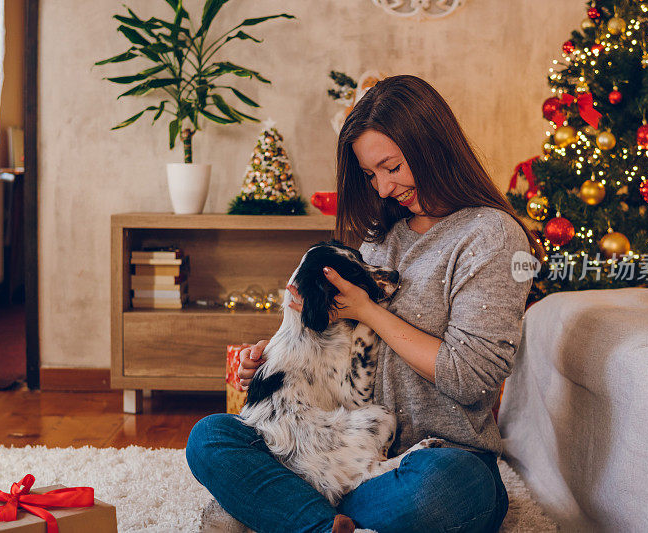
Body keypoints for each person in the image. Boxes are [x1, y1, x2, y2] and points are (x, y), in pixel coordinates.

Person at [186, 74, 546, 533]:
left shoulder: (493, 236)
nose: (381, 188)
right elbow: (338, 353)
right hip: (345, 453)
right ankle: (317, 523)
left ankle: (281, 510)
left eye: (391, 167)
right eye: (371, 174)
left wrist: (367, 308)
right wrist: (279, 362)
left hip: (441, 460)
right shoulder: (382, 240)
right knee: (210, 438)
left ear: (432, 145)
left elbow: (470, 379)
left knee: (445, 492)